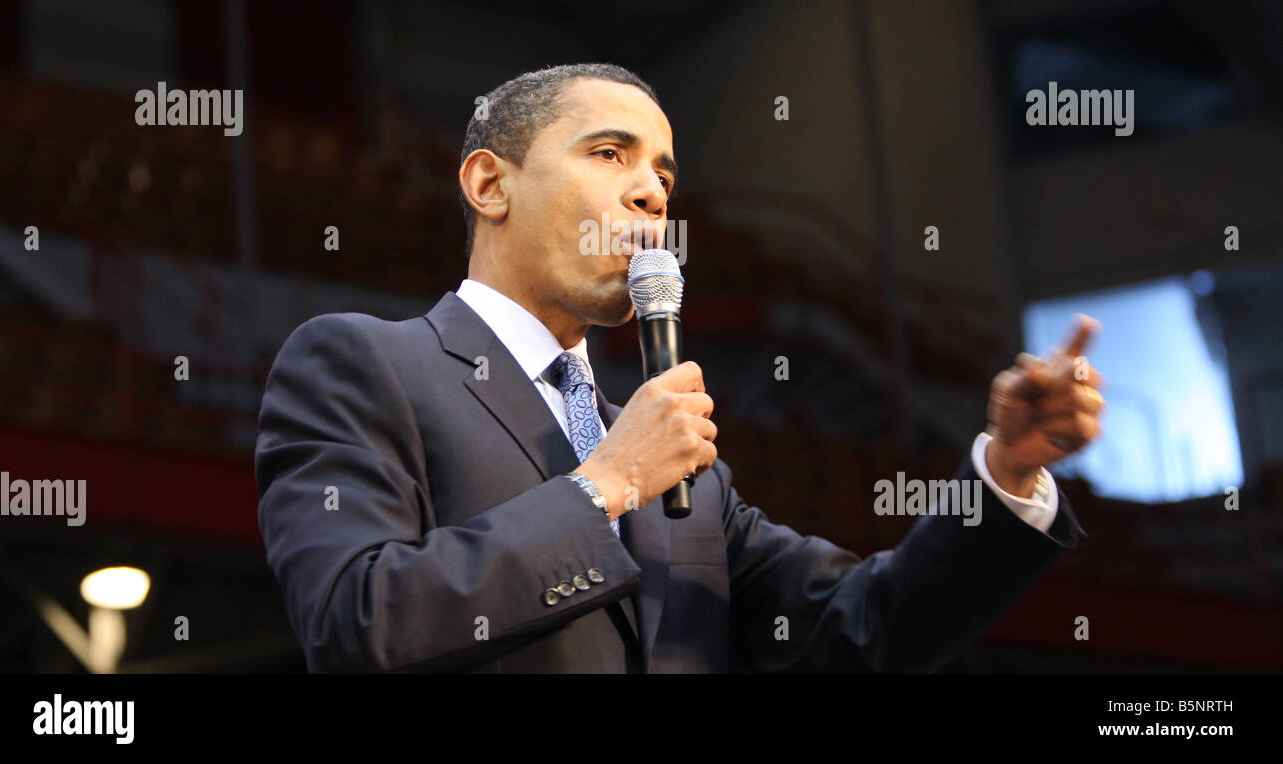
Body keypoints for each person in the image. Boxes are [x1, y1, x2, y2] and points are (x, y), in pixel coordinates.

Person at [254, 62, 1105, 673]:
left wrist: (1006, 472)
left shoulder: (684, 468)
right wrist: (603, 487)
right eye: (609, 154)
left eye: (663, 172)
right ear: (488, 184)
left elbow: (866, 629)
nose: (653, 192)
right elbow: (356, 623)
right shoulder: (365, 364)